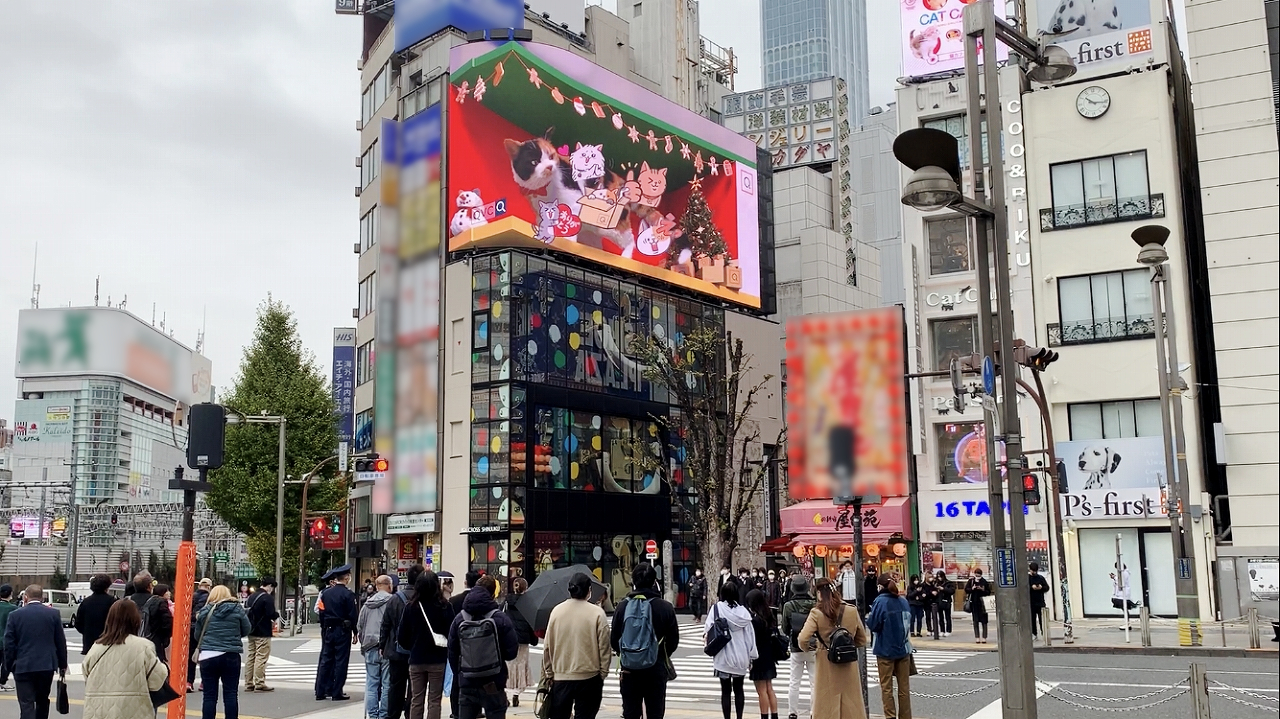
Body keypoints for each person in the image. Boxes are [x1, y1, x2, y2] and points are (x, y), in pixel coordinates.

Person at [612, 563, 679, 719]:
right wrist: (659, 654)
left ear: (633, 581)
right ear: (654, 581)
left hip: (629, 671)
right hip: (656, 668)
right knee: (655, 712)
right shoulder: (665, 607)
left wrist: (628, 653)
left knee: (630, 713)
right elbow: (673, 641)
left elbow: (614, 640)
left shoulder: (622, 607)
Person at [82, 599, 170, 719]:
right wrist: (166, 667)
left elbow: (87, 678)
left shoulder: (96, 647)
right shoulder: (143, 646)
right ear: (136, 620)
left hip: (98, 712)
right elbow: (156, 681)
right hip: (133, 712)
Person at [542, 572, 612, 719]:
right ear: (589, 590)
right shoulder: (597, 613)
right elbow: (604, 647)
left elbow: (547, 646)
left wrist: (549, 673)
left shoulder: (557, 611)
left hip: (561, 676)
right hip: (589, 676)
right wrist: (603, 672)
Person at [448, 575, 518, 719]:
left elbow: (452, 651)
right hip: (492, 681)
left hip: (467, 681)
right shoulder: (499, 618)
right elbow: (511, 652)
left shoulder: (460, 618)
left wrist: (460, 673)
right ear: (492, 594)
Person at [797, 578, 868, 719]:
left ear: (819, 593)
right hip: (848, 663)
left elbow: (803, 639)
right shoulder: (851, 610)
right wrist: (848, 645)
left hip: (826, 660)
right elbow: (862, 639)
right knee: (851, 703)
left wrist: (811, 648)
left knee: (826, 703)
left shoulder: (817, 613)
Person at [3, 586, 68, 719]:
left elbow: (9, 644)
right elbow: (60, 642)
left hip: (23, 666)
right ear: (42, 597)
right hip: (46, 665)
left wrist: (9, 666)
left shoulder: (15, 615)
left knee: (26, 703)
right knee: (43, 700)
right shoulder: (53, 614)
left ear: (25, 597)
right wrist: (62, 664)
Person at [399, 571, 454, 719]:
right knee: (435, 699)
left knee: (416, 698)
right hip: (437, 659)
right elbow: (452, 633)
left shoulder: (410, 607)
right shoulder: (445, 606)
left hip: (416, 658)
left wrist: (413, 646)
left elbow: (402, 637)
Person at [195, 585, 251, 719]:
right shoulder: (237, 609)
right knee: (231, 694)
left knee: (209, 696)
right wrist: (234, 635)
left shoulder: (205, 611)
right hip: (231, 654)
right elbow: (247, 628)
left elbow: (197, 635)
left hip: (208, 655)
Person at [706, 581, 757, 719]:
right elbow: (750, 636)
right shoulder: (743, 612)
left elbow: (708, 629)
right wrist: (752, 656)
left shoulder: (717, 609)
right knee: (739, 689)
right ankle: (739, 717)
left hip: (723, 654)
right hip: (740, 655)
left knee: (725, 691)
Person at [866, 578, 912, 719]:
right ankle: (905, 716)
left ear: (880, 586)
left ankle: (890, 716)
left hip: (885, 649)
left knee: (887, 688)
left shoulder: (880, 601)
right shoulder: (903, 601)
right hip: (904, 649)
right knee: (904, 689)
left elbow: (873, 624)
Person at [383, 566, 423, 719]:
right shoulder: (423, 599)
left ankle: (393, 714)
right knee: (415, 688)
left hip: (396, 650)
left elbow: (385, 624)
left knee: (395, 686)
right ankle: (410, 714)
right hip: (417, 652)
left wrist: (382, 645)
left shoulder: (394, 599)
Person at [316, 564, 359, 701]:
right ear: (346, 577)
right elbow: (353, 615)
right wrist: (355, 631)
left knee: (326, 660)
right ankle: (337, 691)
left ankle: (320, 691)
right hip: (342, 629)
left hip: (328, 629)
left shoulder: (326, 593)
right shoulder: (348, 594)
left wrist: (324, 627)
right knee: (341, 660)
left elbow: (321, 612)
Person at [358, 576, 395, 719]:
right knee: (387, 683)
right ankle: (384, 714)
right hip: (386, 646)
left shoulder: (367, 604)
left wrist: (363, 641)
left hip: (369, 645)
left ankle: (372, 715)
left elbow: (360, 625)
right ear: (389, 585)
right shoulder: (393, 601)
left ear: (376, 586)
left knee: (372, 683)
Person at [780, 575, 817, 719]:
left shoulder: (789, 606)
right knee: (814, 682)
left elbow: (784, 627)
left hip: (795, 646)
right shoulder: (814, 604)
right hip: (813, 645)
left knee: (794, 681)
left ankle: (792, 712)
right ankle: (814, 711)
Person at [746, 589, 780, 719]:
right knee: (769, 688)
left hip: (758, 658)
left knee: (761, 691)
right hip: (769, 655)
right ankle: (774, 715)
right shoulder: (769, 616)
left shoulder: (755, 621)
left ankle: (764, 716)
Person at [503, 577, 536, 707]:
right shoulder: (528, 604)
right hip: (523, 640)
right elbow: (531, 623)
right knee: (521, 666)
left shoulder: (507, 602)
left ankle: (505, 692)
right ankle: (516, 694)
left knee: (509, 666)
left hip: (509, 638)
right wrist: (533, 639)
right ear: (526, 588)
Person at [245, 578, 279, 693]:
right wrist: (276, 615)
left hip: (251, 630)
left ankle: (248, 683)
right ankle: (259, 682)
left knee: (251, 656)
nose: (272, 590)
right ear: (269, 586)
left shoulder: (251, 596)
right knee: (261, 656)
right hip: (263, 631)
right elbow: (270, 613)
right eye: (272, 587)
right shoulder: (266, 598)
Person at [188, 578, 212, 693]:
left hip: (190, 628)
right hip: (203, 630)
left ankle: (189, 681)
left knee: (190, 656)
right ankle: (204, 682)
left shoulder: (191, 596)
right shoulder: (209, 598)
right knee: (204, 656)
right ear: (209, 587)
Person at [146, 583, 175, 663]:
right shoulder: (162, 603)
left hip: (150, 634)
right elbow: (167, 620)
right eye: (166, 591)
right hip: (159, 636)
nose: (169, 593)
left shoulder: (150, 601)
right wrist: (167, 635)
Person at [0, 584, 19, 691]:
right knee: (6, 662)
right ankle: (2, 681)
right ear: (10, 594)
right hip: (6, 640)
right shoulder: (13, 609)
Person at [965, 569, 991, 644]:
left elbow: (988, 592)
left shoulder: (984, 581)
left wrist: (982, 589)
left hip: (983, 604)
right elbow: (966, 590)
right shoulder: (971, 581)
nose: (977, 575)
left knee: (984, 621)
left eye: (979, 574)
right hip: (974, 604)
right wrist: (972, 589)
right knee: (975, 621)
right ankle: (977, 637)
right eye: (976, 574)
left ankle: (984, 637)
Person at [1028, 563, 1050, 638]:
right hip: (1031, 602)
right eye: (1033, 571)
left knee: (1042, 619)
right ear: (1030, 569)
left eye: (1035, 571)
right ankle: (1034, 633)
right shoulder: (1027, 578)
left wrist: (1041, 587)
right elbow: (1024, 589)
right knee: (1032, 619)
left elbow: (1047, 587)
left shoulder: (1041, 578)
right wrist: (1031, 587)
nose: (1034, 572)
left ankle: (1044, 633)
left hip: (1040, 601)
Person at [933, 572, 953, 638]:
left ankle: (948, 630)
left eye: (940, 576)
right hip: (939, 602)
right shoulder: (936, 583)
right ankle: (942, 630)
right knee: (940, 617)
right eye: (938, 577)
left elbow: (952, 591)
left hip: (946, 602)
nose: (939, 578)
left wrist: (943, 589)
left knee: (947, 617)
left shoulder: (948, 583)